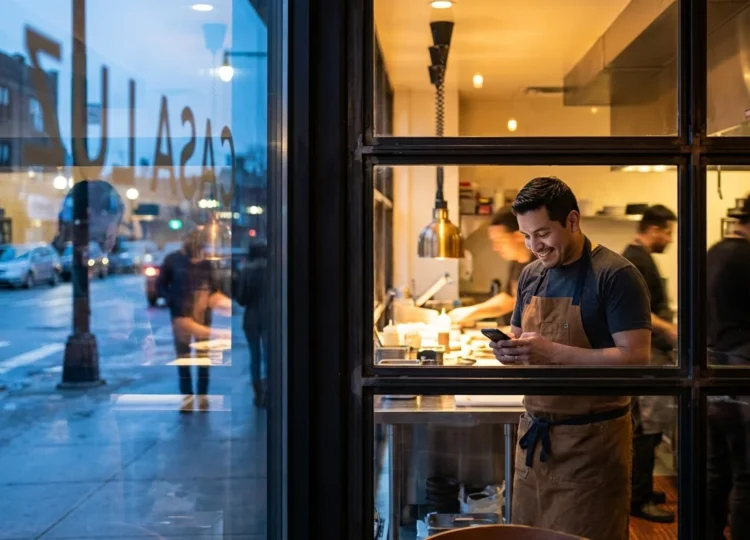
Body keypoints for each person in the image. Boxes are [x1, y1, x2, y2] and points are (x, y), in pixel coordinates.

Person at [491, 177, 652, 540]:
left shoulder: (616, 275)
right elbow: (520, 336)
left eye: (543, 234)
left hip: (590, 447)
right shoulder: (531, 275)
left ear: (573, 221)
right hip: (534, 443)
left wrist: (551, 351)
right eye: (527, 236)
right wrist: (508, 350)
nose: (535, 246)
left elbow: (637, 358)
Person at [621, 205, 677, 523]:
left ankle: (642, 488)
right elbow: (640, 309)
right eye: (667, 231)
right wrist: (671, 330)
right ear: (653, 229)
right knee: (645, 428)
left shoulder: (638, 257)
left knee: (651, 429)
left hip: (652, 351)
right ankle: (638, 498)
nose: (669, 239)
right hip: (648, 353)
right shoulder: (637, 259)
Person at [706, 196, 750, 539]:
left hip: (712, 371)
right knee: (746, 473)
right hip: (742, 372)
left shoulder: (714, 251)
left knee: (715, 468)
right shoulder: (747, 257)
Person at [157, 227, 232, 412]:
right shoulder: (173, 260)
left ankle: (202, 396)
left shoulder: (205, 263)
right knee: (184, 360)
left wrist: (213, 301)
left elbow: (216, 288)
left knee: (202, 360)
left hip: (201, 317)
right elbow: (160, 284)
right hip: (181, 317)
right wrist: (171, 300)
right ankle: (188, 399)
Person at [449, 207, 533, 326]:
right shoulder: (517, 263)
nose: (495, 248)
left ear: (519, 236)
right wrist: (471, 312)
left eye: (500, 240)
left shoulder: (543, 266)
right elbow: (509, 299)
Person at [237, 241, 268, 407]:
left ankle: (258, 395)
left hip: (251, 320)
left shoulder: (246, 272)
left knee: (255, 358)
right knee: (270, 358)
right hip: (270, 319)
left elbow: (241, 299)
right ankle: (270, 391)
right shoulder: (274, 271)